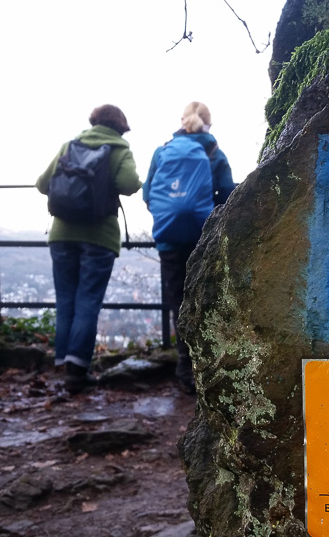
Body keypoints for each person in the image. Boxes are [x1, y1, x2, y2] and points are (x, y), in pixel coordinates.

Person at [36, 105, 141, 393]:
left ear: (93, 122)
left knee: (66, 300)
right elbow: (130, 184)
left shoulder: (70, 146)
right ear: (121, 126)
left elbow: (42, 184)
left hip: (62, 233)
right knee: (88, 302)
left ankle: (64, 361)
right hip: (99, 236)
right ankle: (77, 369)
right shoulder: (120, 149)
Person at [143, 101, 236, 394]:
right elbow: (228, 193)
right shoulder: (213, 152)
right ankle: (206, 367)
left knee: (178, 302)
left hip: (169, 238)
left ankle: (185, 369)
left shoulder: (163, 151)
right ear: (209, 123)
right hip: (203, 240)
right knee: (206, 300)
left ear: (182, 121)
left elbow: (148, 193)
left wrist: (169, 216)